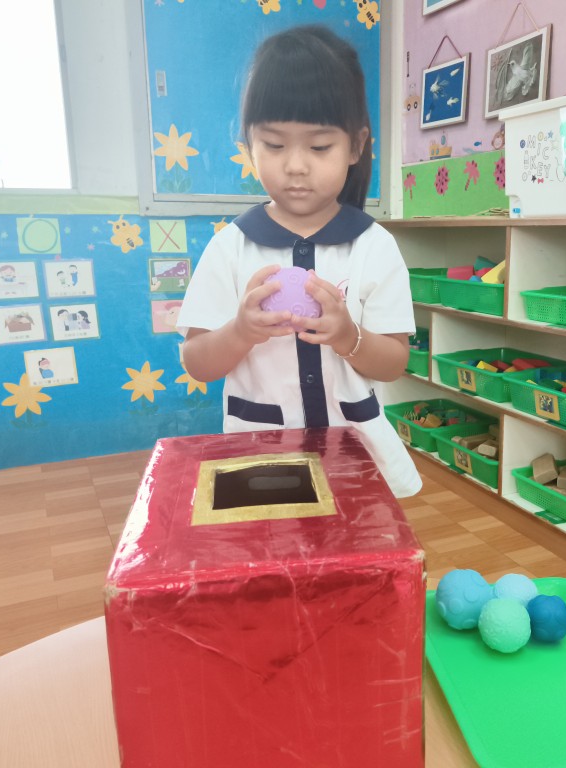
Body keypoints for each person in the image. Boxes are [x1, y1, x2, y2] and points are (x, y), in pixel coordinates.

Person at [177, 24, 420, 498]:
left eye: (319, 146)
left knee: (355, 543)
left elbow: (394, 362)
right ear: (248, 146)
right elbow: (197, 362)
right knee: (270, 542)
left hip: (355, 453)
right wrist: (241, 331)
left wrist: (348, 336)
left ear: (356, 145)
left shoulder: (374, 246)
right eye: (274, 144)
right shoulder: (231, 247)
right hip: (262, 451)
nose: (295, 165)